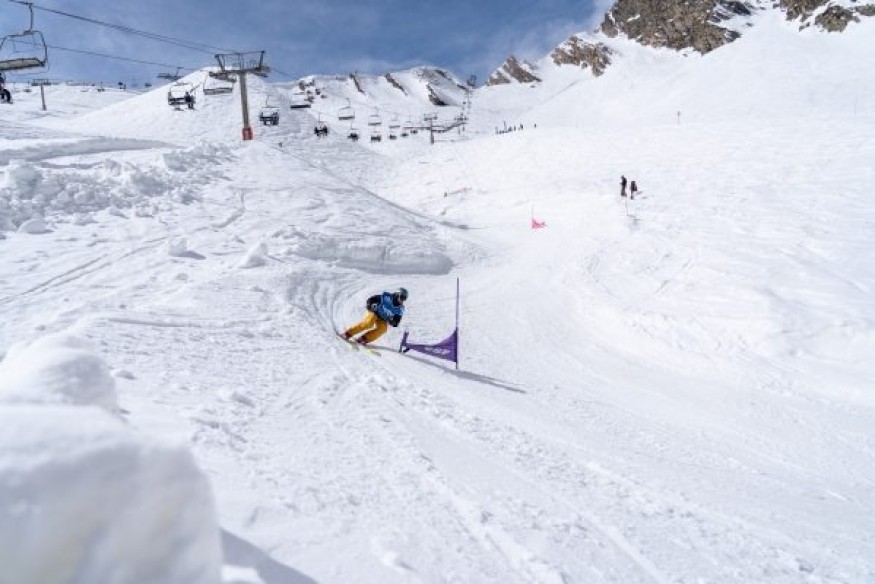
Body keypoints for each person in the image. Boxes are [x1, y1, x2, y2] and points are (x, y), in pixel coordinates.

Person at [342, 287, 408, 345]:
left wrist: (392, 321)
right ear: (397, 294)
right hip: (375, 312)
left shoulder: (400, 309)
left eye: (404, 299)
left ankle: (364, 338)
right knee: (369, 323)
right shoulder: (387, 297)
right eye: (402, 297)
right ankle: (348, 333)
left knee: (383, 329)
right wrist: (369, 305)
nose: (402, 300)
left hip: (383, 319)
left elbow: (396, 323)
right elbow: (372, 299)